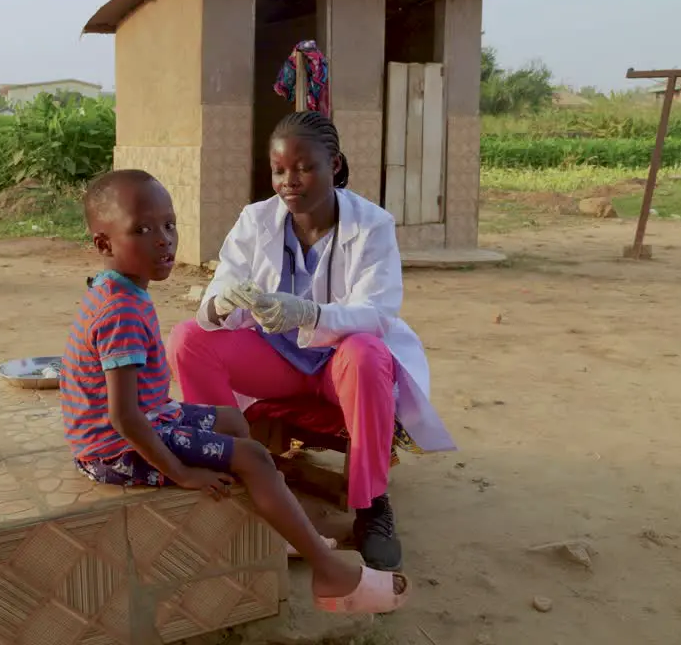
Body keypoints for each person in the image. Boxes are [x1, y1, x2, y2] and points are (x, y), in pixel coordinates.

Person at [60, 169, 409, 614]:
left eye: (169, 224)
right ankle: (329, 572)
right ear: (104, 244)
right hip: (113, 451)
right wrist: (181, 472)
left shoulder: (123, 290)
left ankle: (276, 524)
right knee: (253, 457)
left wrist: (305, 311)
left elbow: (377, 312)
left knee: (230, 421)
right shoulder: (122, 311)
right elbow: (124, 417)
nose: (163, 240)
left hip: (146, 419)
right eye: (142, 230)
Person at [168, 111, 456, 573]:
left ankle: (371, 506)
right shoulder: (256, 220)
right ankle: (230, 463)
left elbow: (378, 313)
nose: (289, 181)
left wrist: (309, 313)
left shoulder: (373, 225)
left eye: (304, 167)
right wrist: (224, 303)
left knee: (365, 352)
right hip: (278, 362)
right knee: (189, 338)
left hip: (340, 366)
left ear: (335, 165)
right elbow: (216, 293)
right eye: (280, 170)